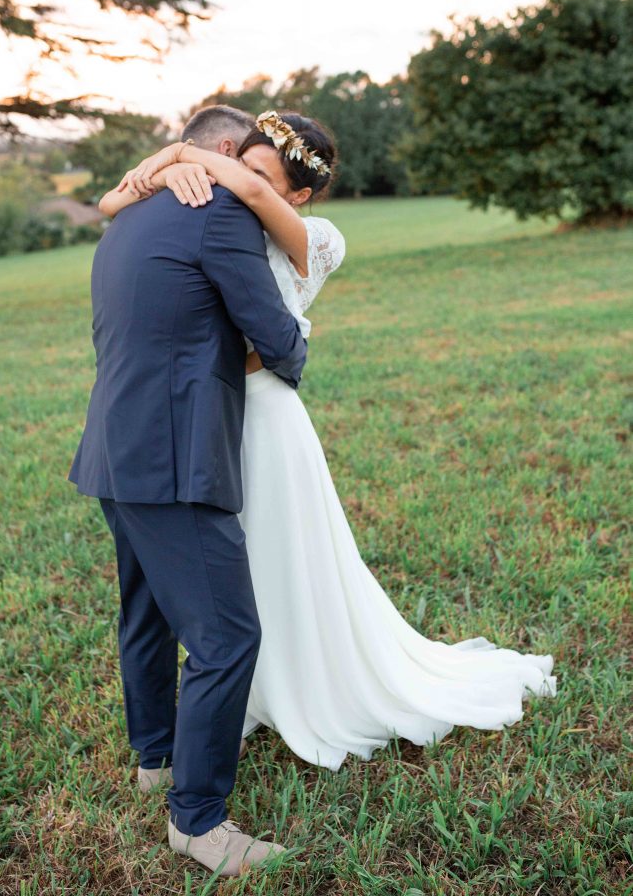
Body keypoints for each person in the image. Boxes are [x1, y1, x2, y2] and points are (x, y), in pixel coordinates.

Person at [104, 106, 556, 777]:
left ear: (298, 193)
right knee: (232, 573)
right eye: (234, 162)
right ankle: (247, 693)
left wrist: (180, 156)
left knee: (284, 561)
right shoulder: (217, 214)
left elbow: (252, 208)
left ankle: (309, 688)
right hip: (207, 419)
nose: (233, 180)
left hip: (262, 416)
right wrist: (159, 171)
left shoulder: (313, 235)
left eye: (251, 170)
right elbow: (115, 204)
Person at [68, 101, 308, 877]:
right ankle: (199, 821)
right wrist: (294, 346)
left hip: (114, 446)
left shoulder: (129, 216)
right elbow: (275, 335)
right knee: (226, 635)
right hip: (173, 457)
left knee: (145, 612)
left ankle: (155, 758)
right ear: (229, 155)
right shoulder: (219, 217)